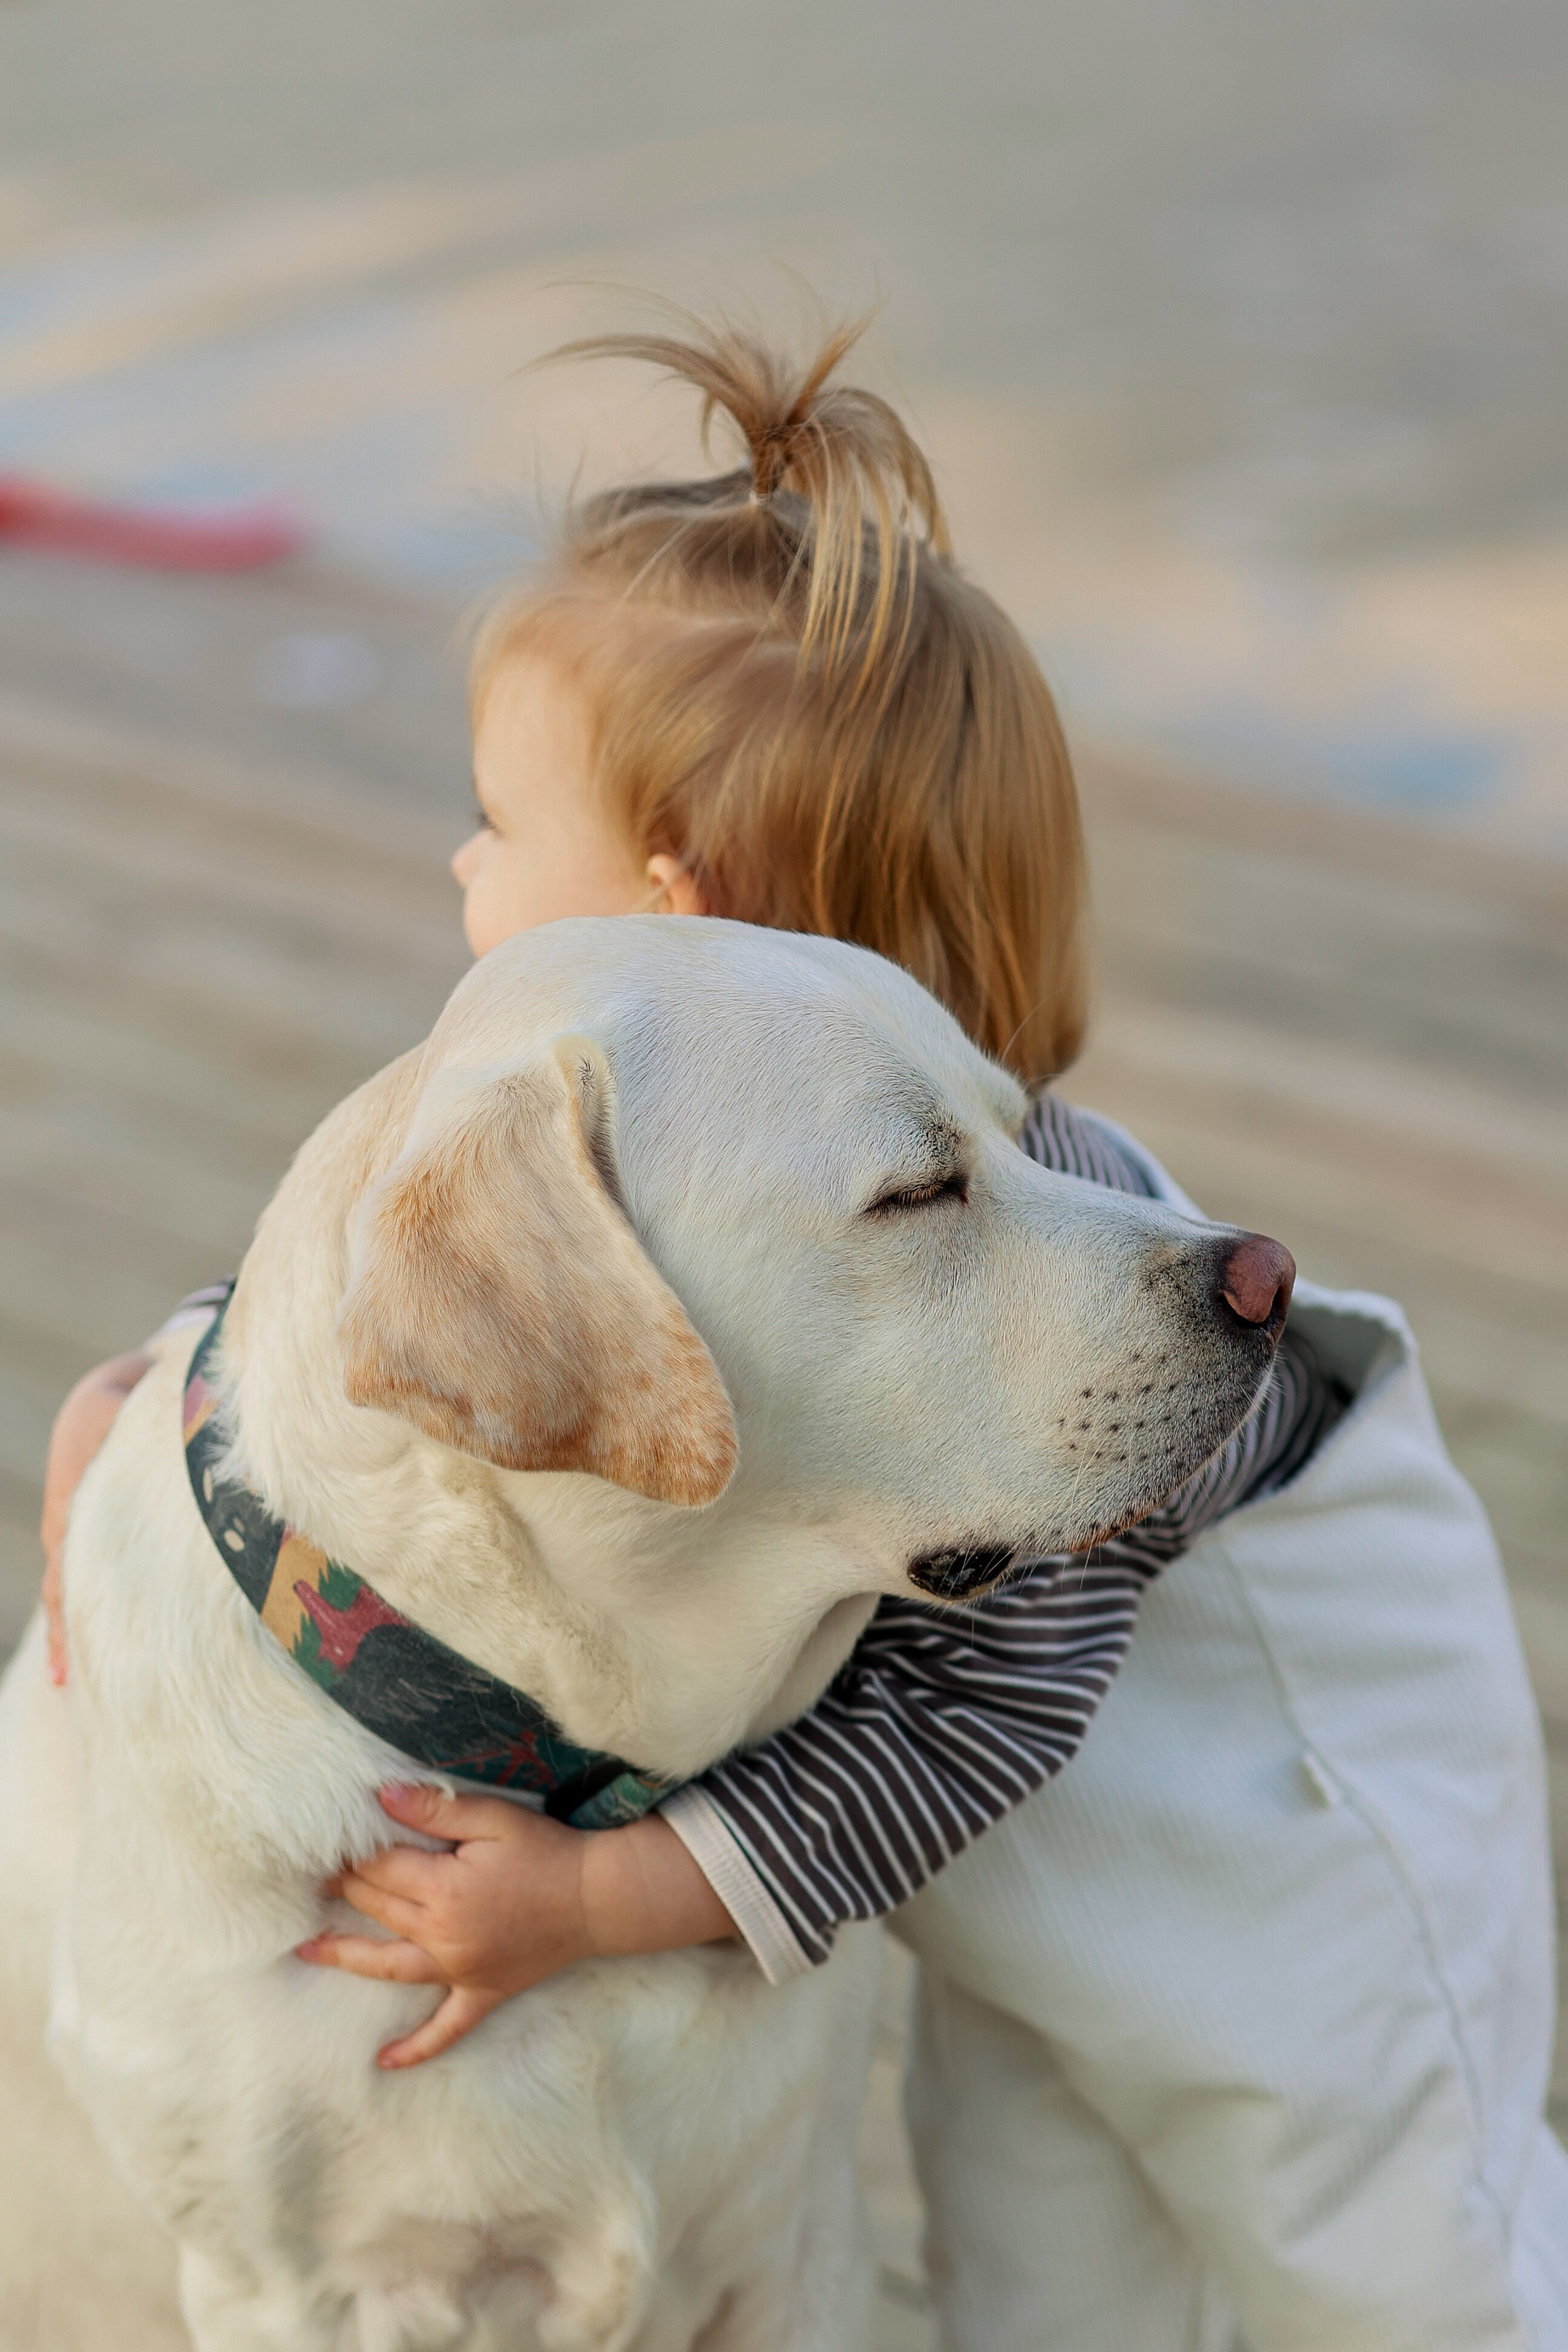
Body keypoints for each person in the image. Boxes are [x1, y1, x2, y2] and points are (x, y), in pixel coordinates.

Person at [39, 317, 1567, 2351]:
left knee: (1381, 2221)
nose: (463, 866)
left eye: (506, 823)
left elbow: (975, 1717)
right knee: (1044, 2246)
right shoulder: (633, 1089)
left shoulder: (929, 1181)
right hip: (1001, 1880)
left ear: (694, 918)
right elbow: (379, 1262)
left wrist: (603, 1903)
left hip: (1273, 1798)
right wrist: (127, 1428)